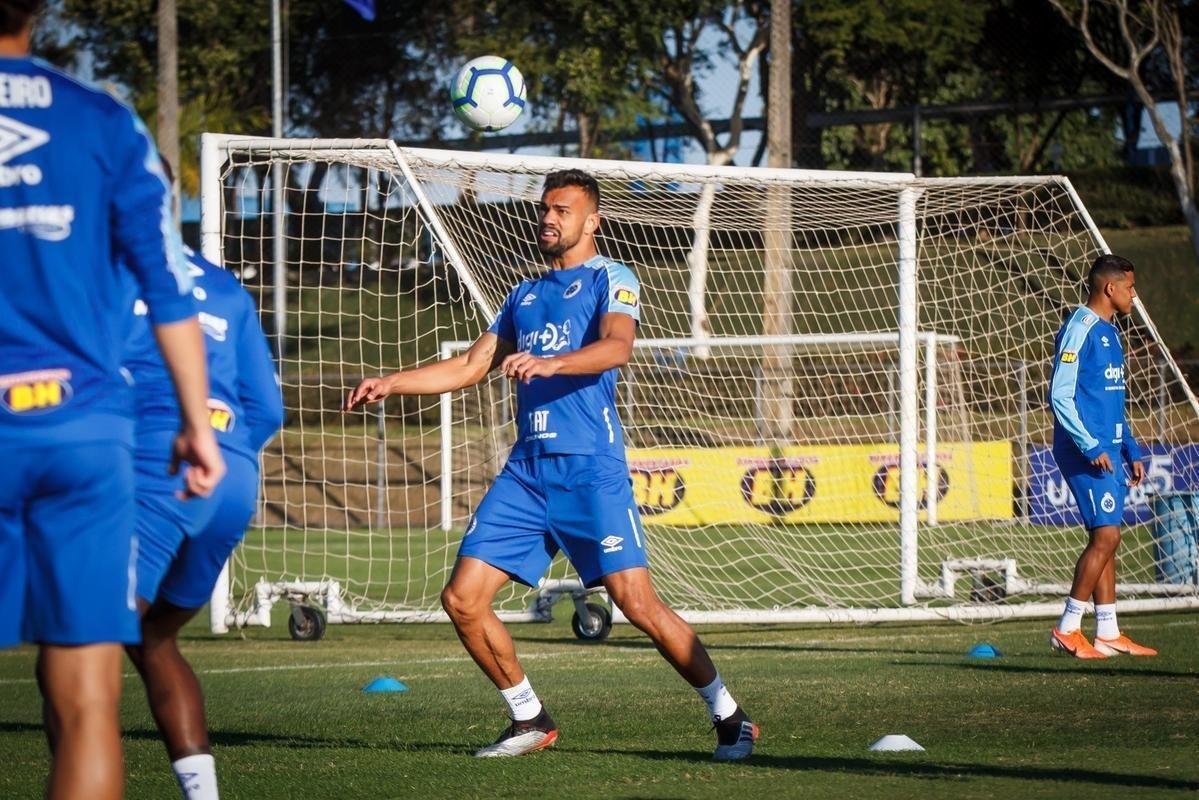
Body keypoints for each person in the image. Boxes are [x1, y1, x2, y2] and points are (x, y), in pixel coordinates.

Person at [344, 169, 757, 761]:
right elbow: (470, 366)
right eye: (545, 208)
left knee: (637, 605)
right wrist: (392, 382)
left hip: (590, 470)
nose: (549, 218)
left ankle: (730, 717)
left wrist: (551, 363)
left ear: (592, 221)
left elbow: (618, 347)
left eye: (563, 210)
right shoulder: (524, 295)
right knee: (462, 599)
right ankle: (529, 718)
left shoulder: (612, 277)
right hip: (527, 473)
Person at [0, 4, 225, 799]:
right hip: (83, 431)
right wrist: (197, 424)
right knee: (89, 703)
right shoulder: (101, 118)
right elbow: (167, 288)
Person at [122, 159, 284, 800]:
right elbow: (267, 409)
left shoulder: (105, 274)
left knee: (79, 648)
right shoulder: (223, 288)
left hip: (156, 464)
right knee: (153, 638)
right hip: (231, 476)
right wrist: (226, 452)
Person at [1048, 254, 1156, 659]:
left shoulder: (1111, 333)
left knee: (1106, 536)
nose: (1134, 295)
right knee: (1107, 537)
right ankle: (1067, 628)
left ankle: (1108, 631)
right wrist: (1090, 446)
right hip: (1085, 451)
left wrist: (1130, 448)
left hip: (1109, 450)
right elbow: (1060, 395)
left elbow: (1110, 400)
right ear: (1110, 288)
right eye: (1130, 287)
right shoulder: (1080, 327)